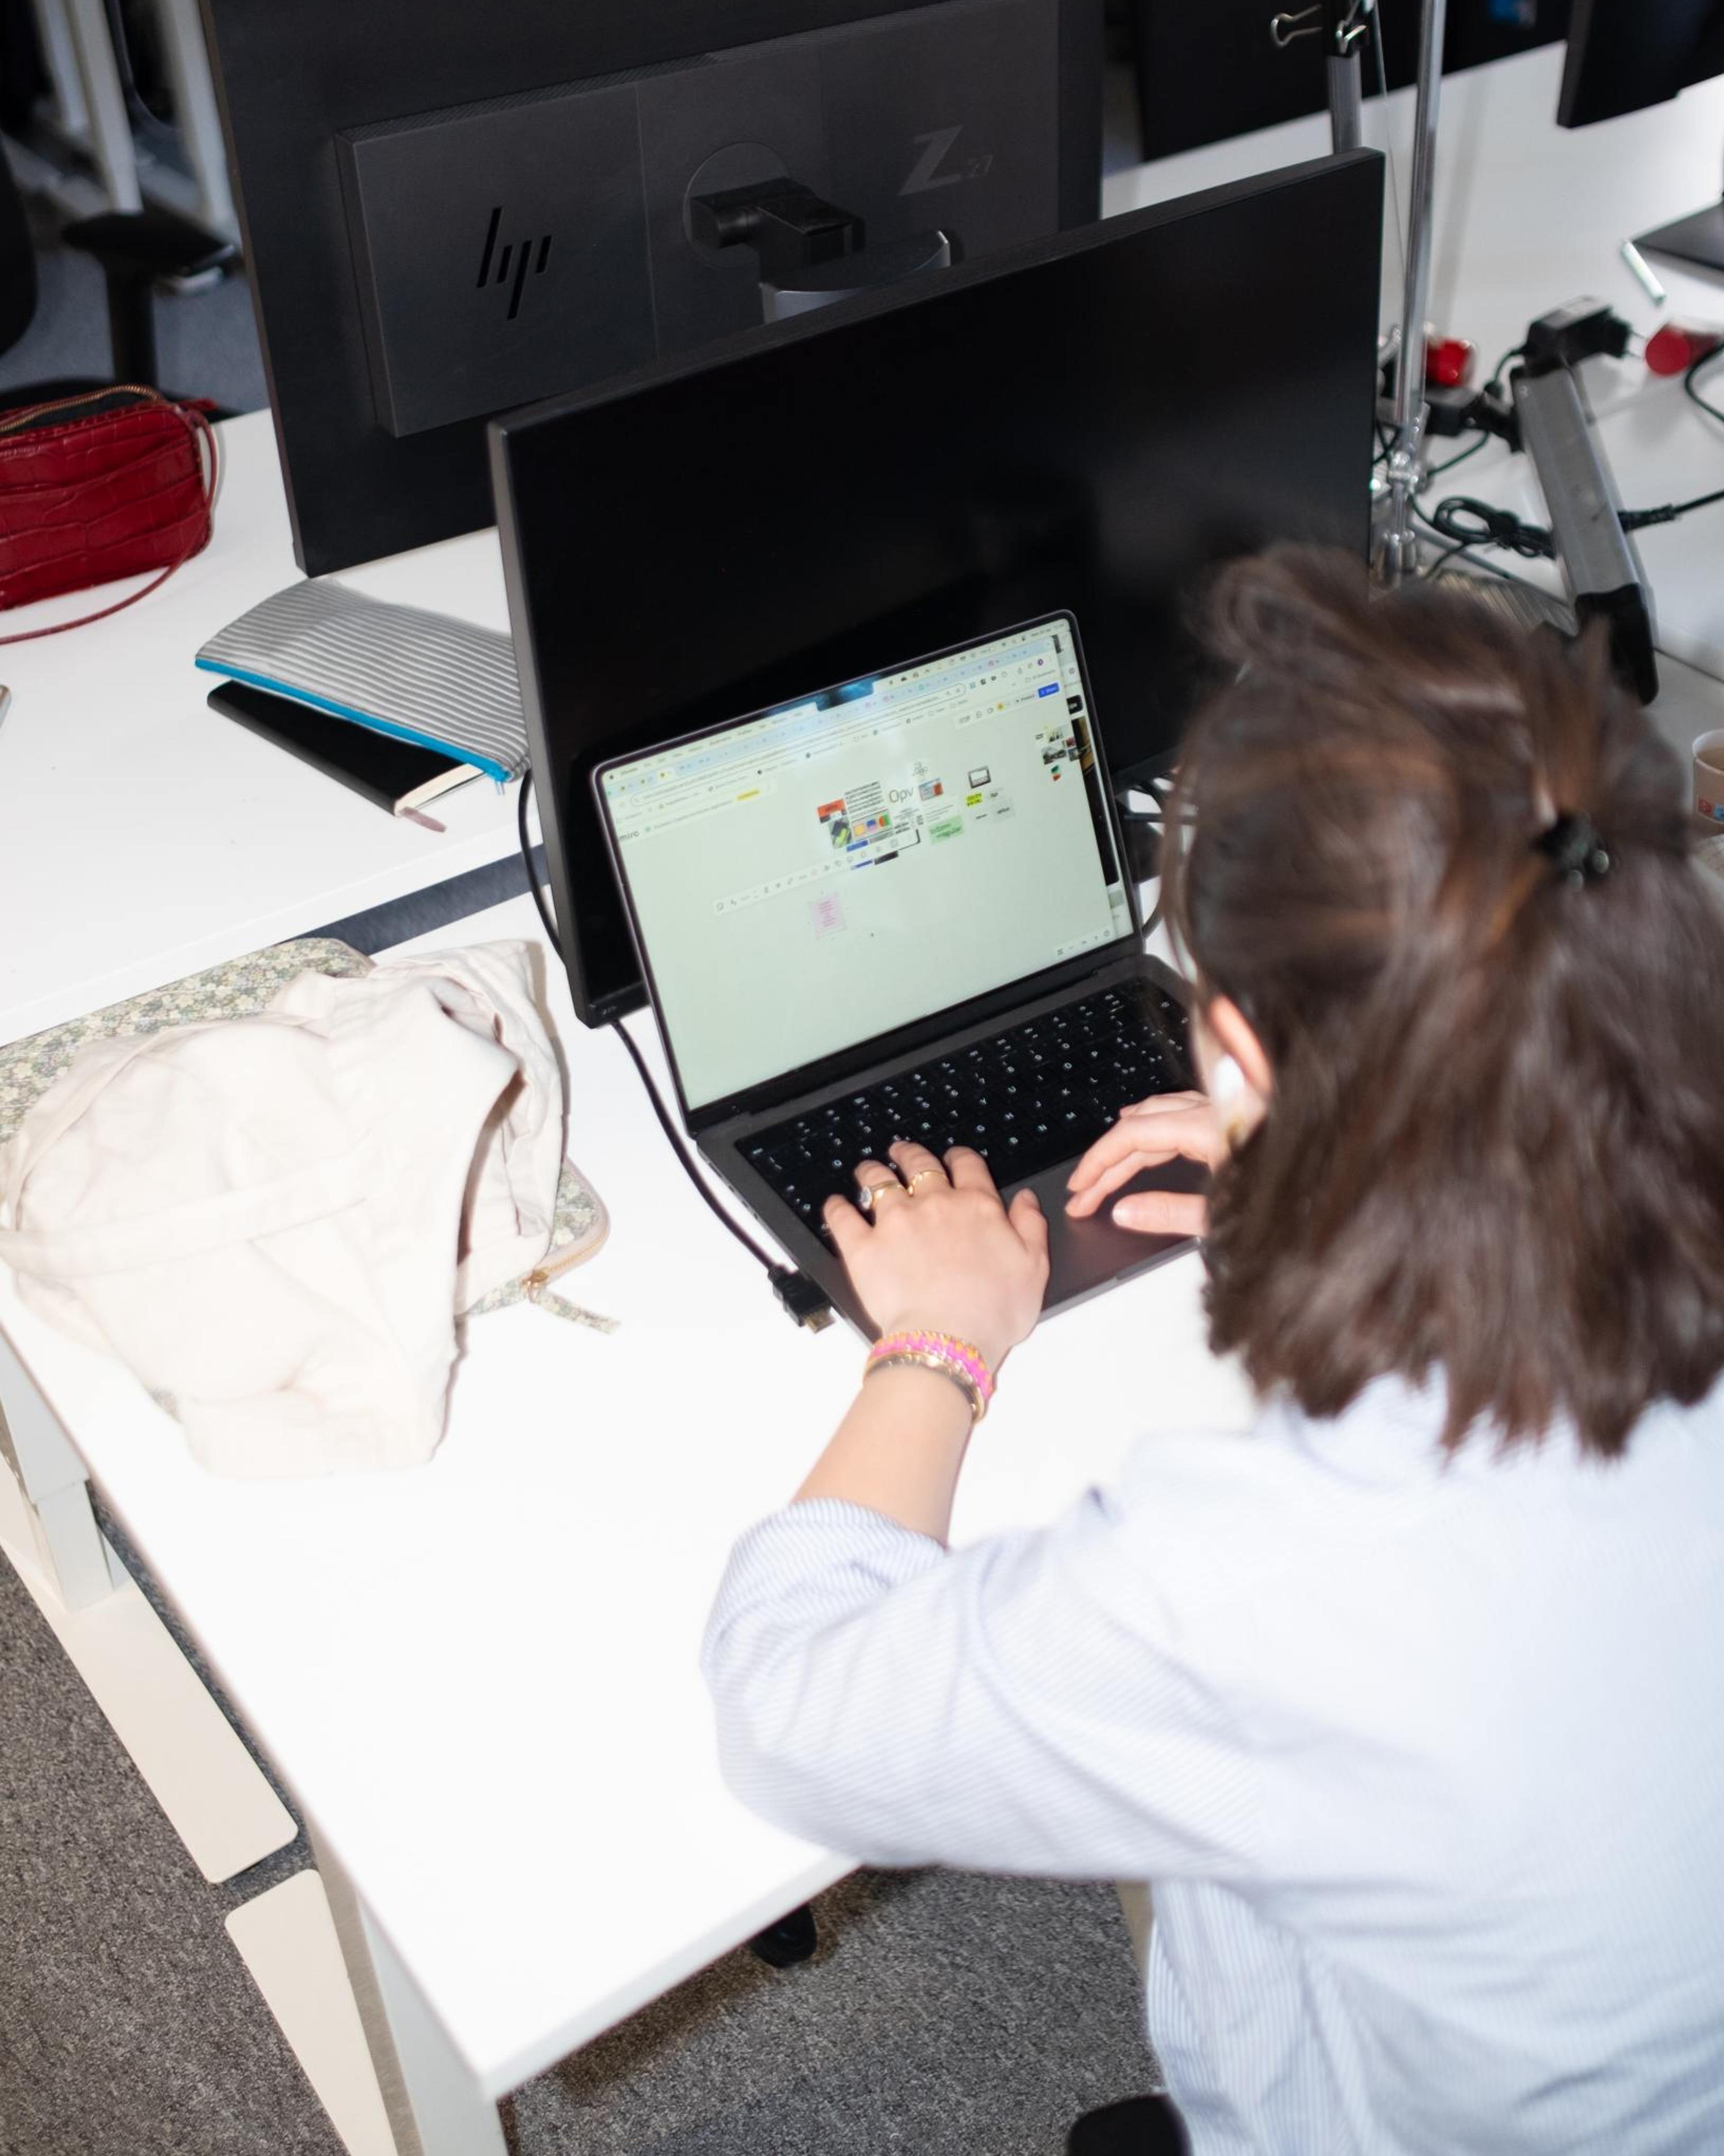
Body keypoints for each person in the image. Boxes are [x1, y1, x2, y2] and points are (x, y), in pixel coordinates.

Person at [702, 547, 1724, 2156]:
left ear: (1234, 1039)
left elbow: (789, 1712)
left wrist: (937, 1349)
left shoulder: (1267, 1577)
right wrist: (1346, 1160)